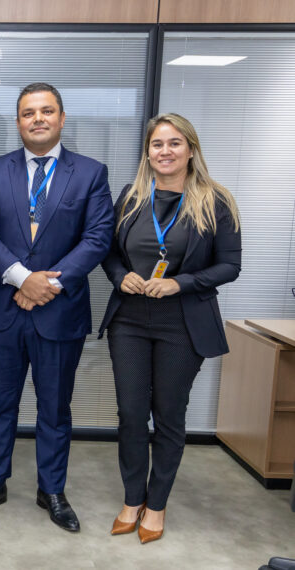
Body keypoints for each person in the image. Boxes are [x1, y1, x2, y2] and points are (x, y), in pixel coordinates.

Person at [0, 83, 114, 531]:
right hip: (2, 309)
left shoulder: (90, 173)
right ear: (18, 122)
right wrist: (21, 278)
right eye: (28, 113)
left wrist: (46, 283)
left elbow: (97, 238)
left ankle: (52, 490)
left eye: (47, 111)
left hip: (58, 311)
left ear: (62, 118)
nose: (38, 119)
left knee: (55, 408)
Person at [99, 113, 241, 543]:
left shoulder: (216, 201)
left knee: (169, 417)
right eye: (157, 144)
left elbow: (230, 266)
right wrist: (118, 275)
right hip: (129, 320)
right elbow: (107, 252)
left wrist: (180, 282)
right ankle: (131, 498)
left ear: (191, 150)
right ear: (148, 151)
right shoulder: (130, 197)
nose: (165, 151)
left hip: (182, 324)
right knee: (129, 414)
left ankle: (156, 505)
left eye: (174, 143)